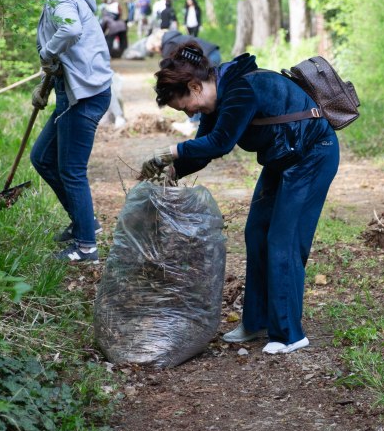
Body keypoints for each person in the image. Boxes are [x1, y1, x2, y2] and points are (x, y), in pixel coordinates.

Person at [140, 44, 340, 354]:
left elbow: (220, 143)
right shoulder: (216, 98)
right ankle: (258, 320)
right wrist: (171, 172)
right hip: (284, 156)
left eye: (186, 106)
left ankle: (289, 334)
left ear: (195, 86)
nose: (190, 113)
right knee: (256, 233)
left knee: (283, 240)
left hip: (312, 154)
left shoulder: (240, 89)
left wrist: (170, 151)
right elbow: (204, 148)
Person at [20, 0, 114, 262]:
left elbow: (70, 32)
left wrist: (46, 53)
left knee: (72, 170)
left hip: (83, 97)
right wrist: (45, 85)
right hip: (76, 92)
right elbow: (66, 57)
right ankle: (84, 224)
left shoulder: (60, 0)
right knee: (42, 157)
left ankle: (86, 247)